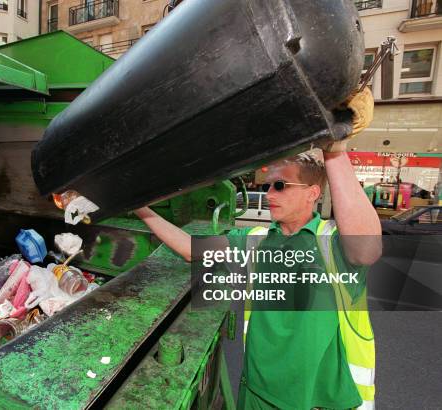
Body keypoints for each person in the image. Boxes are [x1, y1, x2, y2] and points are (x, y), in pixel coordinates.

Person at [134, 88, 382, 410]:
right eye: (266, 186)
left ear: (312, 193)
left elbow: (365, 250)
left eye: (280, 186)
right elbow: (190, 249)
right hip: (256, 395)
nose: (269, 194)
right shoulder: (257, 241)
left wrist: (334, 150)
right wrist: (141, 210)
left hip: (318, 402)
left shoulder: (330, 243)